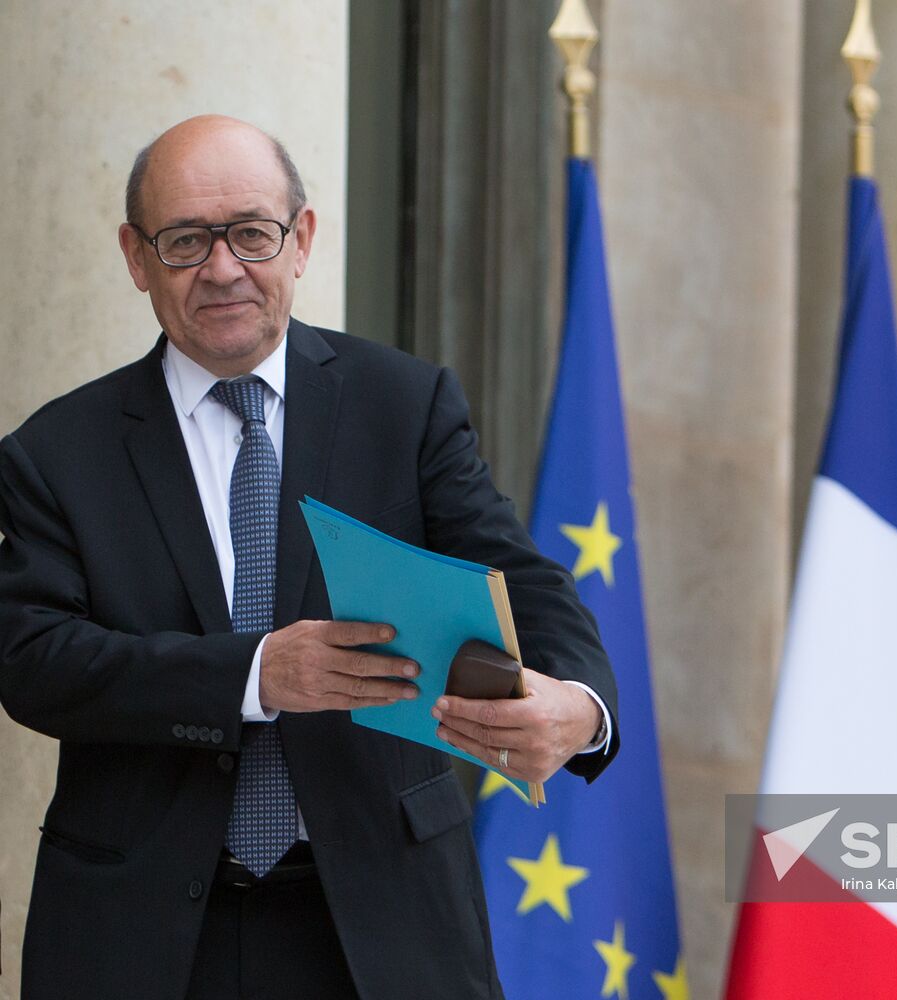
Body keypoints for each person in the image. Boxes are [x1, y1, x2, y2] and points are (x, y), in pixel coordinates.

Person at [0, 114, 618, 1000]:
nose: (223, 269)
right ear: (136, 259)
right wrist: (252, 673)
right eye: (185, 242)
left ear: (303, 240)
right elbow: (33, 664)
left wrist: (579, 705)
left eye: (252, 233)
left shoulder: (404, 405)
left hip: (381, 925)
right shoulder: (57, 451)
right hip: (143, 933)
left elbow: (520, 579)